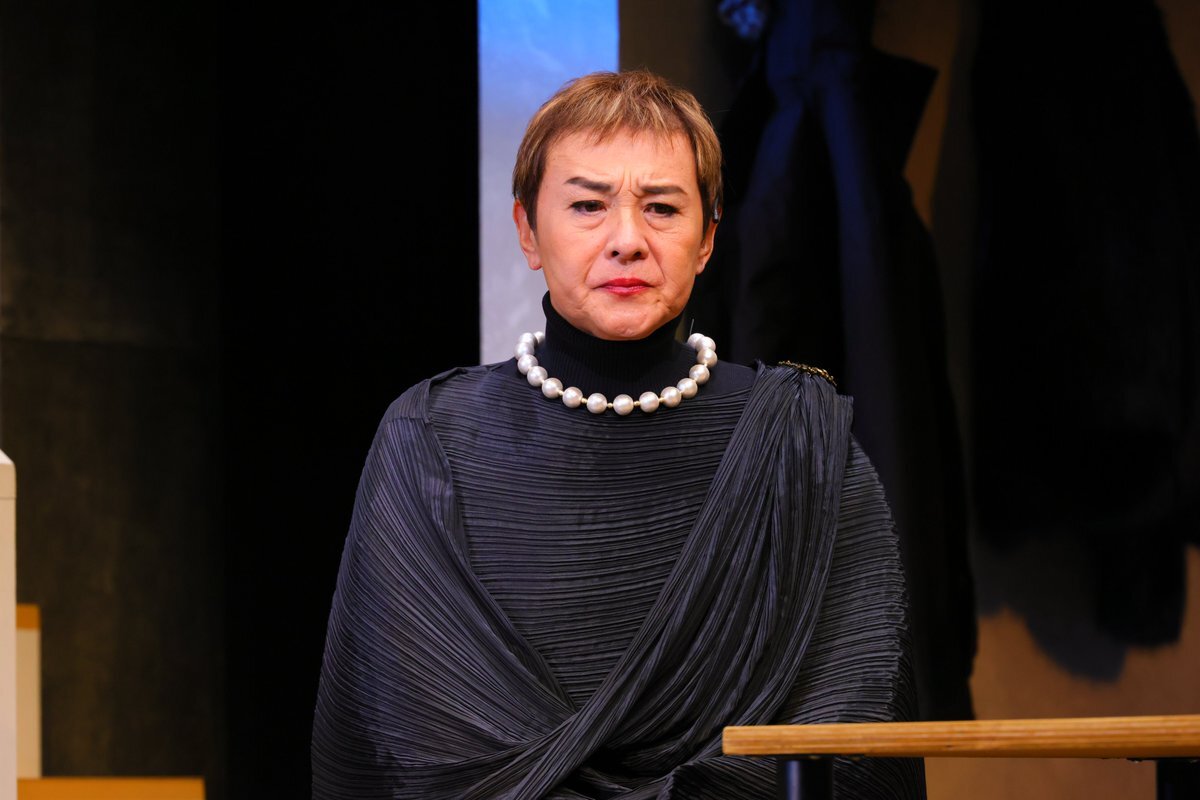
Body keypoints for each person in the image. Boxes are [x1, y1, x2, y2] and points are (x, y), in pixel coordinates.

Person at [312, 69, 924, 799]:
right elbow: (403, 742)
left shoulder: (803, 447)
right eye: (587, 206)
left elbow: (852, 726)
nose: (627, 240)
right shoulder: (428, 438)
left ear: (707, 239)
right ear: (527, 231)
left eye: (662, 207)